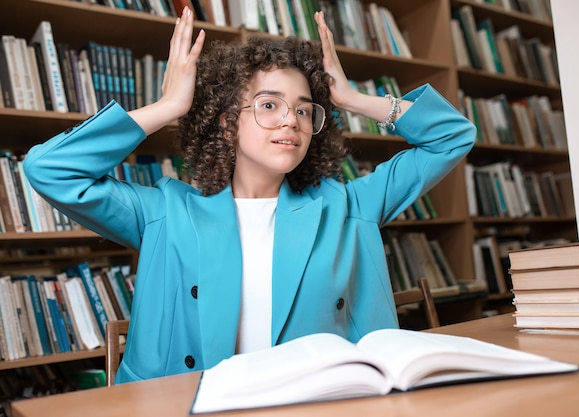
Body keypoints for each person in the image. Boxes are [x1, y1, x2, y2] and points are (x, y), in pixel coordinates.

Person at [24, 8, 475, 384]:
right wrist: (168, 108)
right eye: (268, 104)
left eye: (303, 108)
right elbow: (49, 170)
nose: (290, 120)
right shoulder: (166, 212)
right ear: (225, 124)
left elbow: (453, 137)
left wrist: (353, 99)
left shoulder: (347, 207)